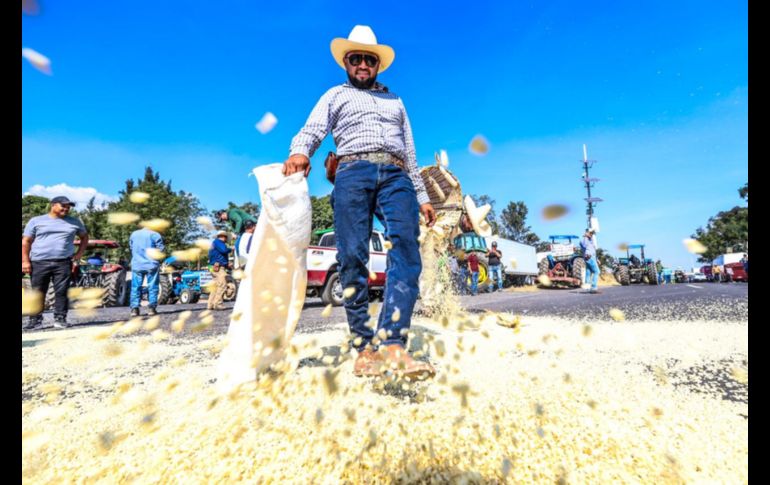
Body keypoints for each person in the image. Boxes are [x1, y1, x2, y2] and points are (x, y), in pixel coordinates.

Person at [282, 25, 436, 380]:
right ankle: (364, 348)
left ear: (378, 64)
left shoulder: (395, 100)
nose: (363, 64)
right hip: (352, 171)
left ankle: (393, 343)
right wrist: (300, 152)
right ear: (347, 63)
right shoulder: (335, 95)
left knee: (407, 248)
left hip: (396, 174)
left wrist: (424, 196)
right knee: (352, 256)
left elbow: (410, 153)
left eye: (369, 59)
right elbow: (313, 128)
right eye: (356, 59)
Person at [22, 196, 89, 330]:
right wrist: (25, 261)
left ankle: (60, 319)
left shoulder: (74, 222)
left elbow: (84, 237)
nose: (66, 208)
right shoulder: (36, 221)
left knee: (62, 291)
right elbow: (26, 241)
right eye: (63, 205)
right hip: (39, 262)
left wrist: (79, 253)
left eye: (68, 206)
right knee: (37, 291)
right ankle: (35, 320)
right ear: (53, 205)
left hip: (63, 262)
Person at [129, 226, 165, 317]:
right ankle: (151, 309)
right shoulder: (155, 234)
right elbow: (161, 249)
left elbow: (131, 247)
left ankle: (134, 309)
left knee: (136, 287)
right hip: (151, 265)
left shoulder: (134, 234)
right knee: (152, 286)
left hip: (137, 264)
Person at [208, 231, 231, 310]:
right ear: (223, 237)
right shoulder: (218, 242)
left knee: (216, 286)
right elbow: (224, 250)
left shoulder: (214, 243)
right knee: (222, 284)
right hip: (218, 267)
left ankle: (210, 304)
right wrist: (231, 248)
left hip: (214, 266)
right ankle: (218, 304)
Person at [580, 228, 599, 293]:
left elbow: (593, 250)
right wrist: (585, 236)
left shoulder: (591, 240)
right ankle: (593, 287)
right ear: (587, 232)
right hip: (589, 257)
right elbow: (584, 245)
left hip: (592, 257)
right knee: (597, 272)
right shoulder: (584, 240)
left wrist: (597, 259)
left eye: (592, 233)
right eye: (590, 233)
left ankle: (587, 287)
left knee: (588, 271)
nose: (591, 234)